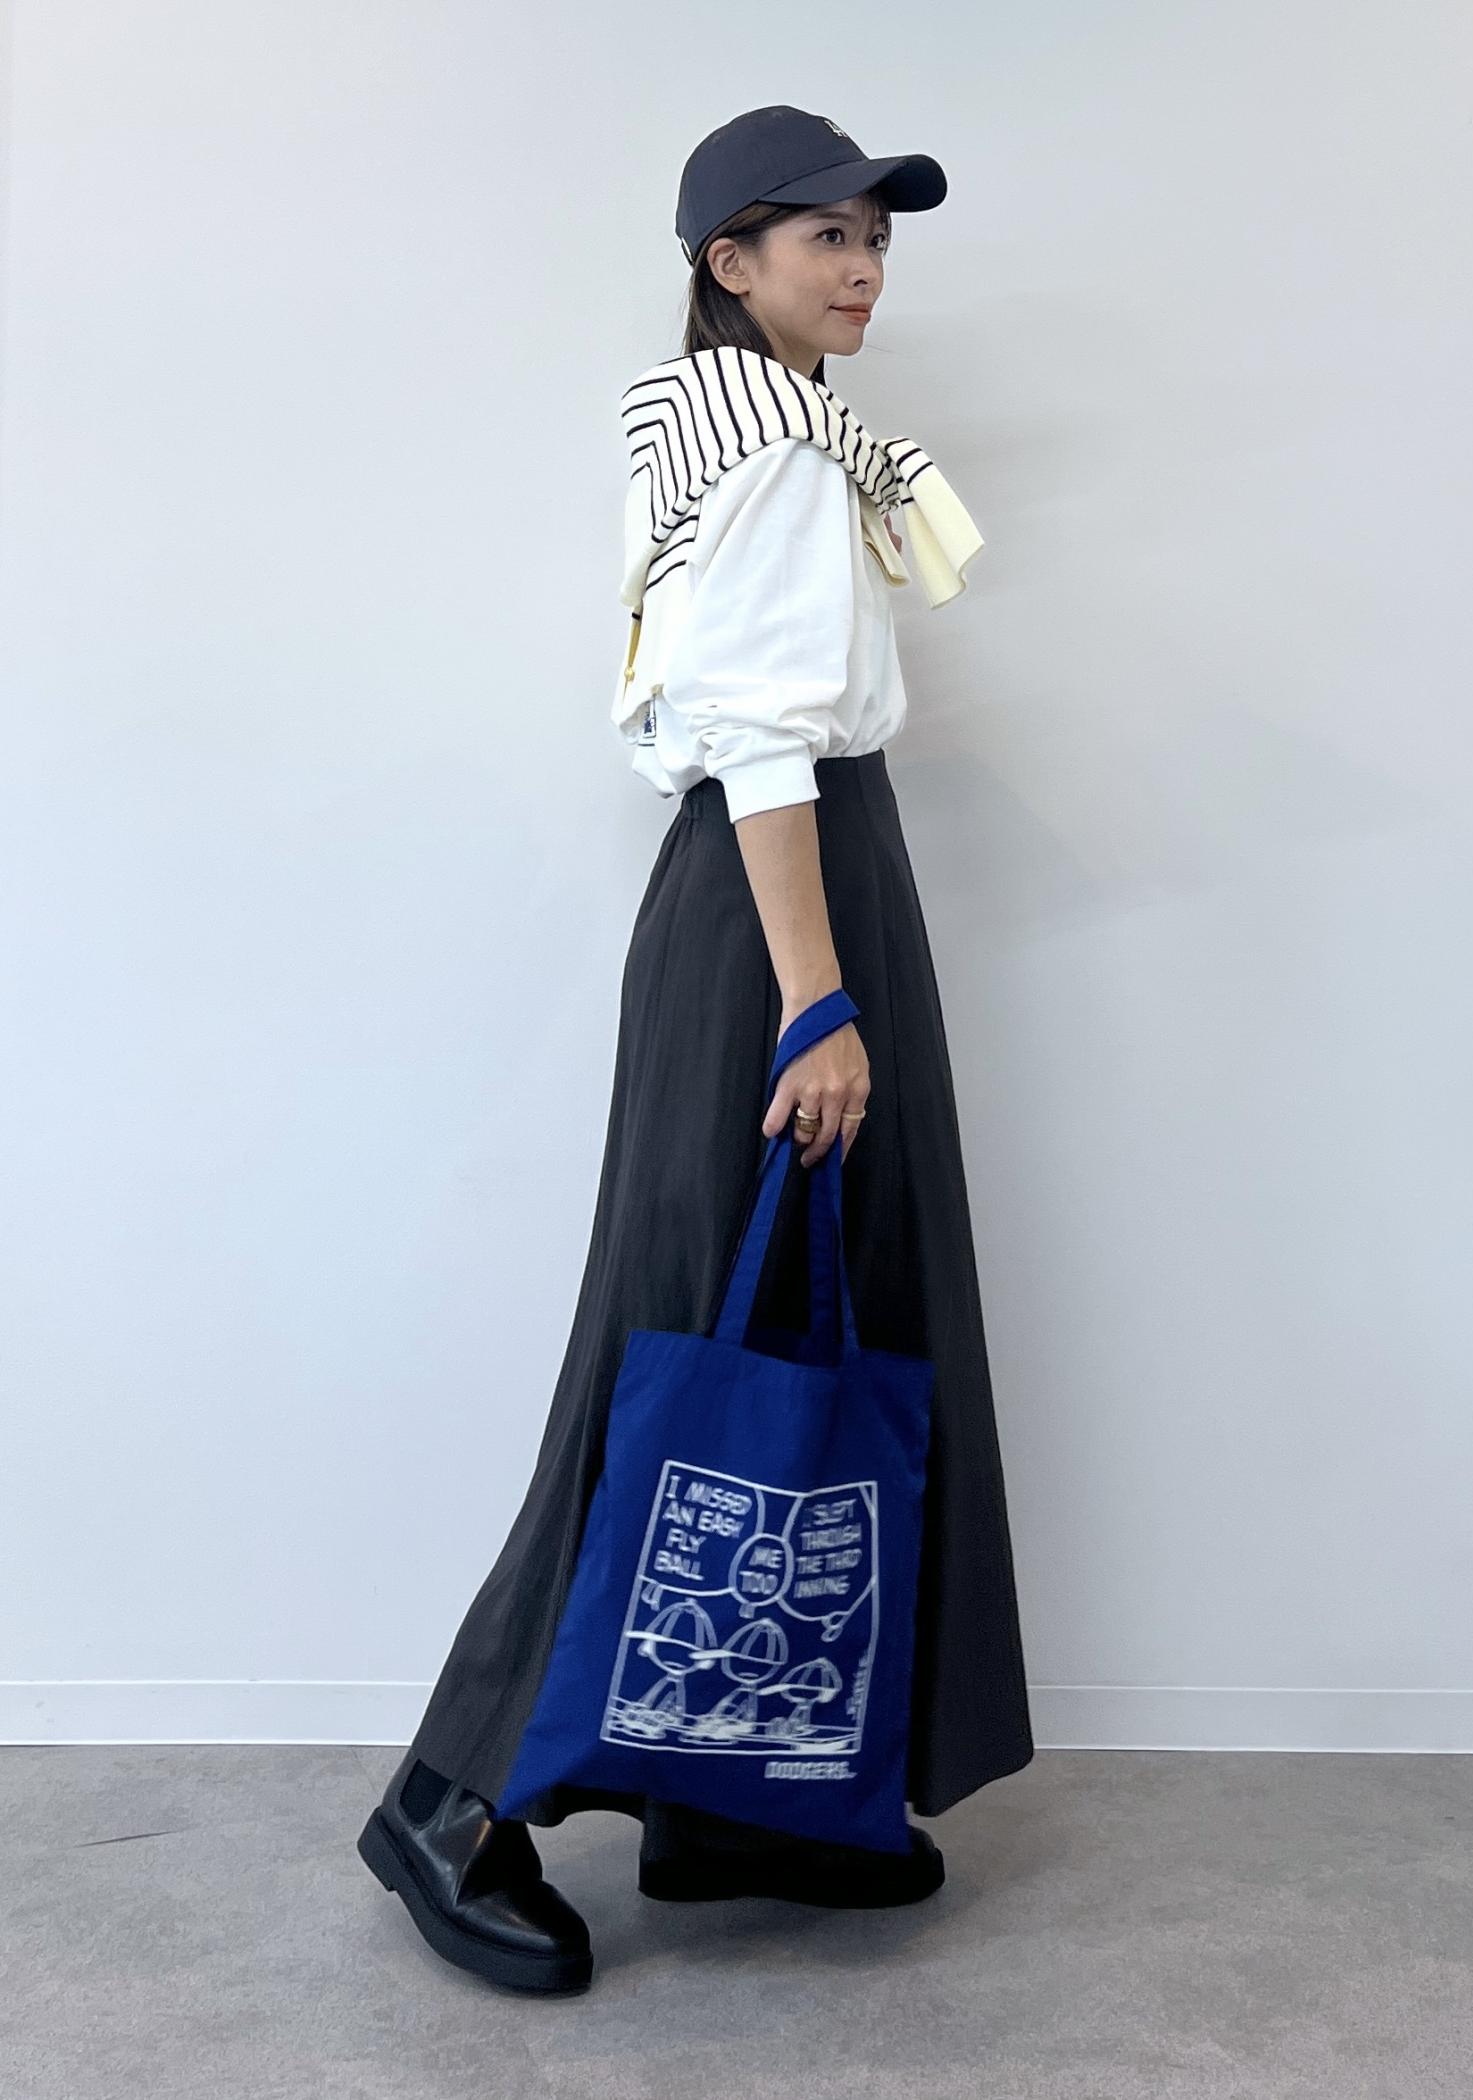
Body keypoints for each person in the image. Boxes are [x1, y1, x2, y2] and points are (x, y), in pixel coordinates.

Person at [356, 103, 1034, 1996]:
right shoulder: (777, 455)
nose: (865, 268)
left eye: (878, 239)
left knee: (806, 1317)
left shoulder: (747, 426)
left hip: (794, 883)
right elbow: (756, 732)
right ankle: (449, 1801)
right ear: (728, 263)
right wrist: (815, 995)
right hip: (781, 899)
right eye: (827, 237)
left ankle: (740, 1801)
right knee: (673, 1331)